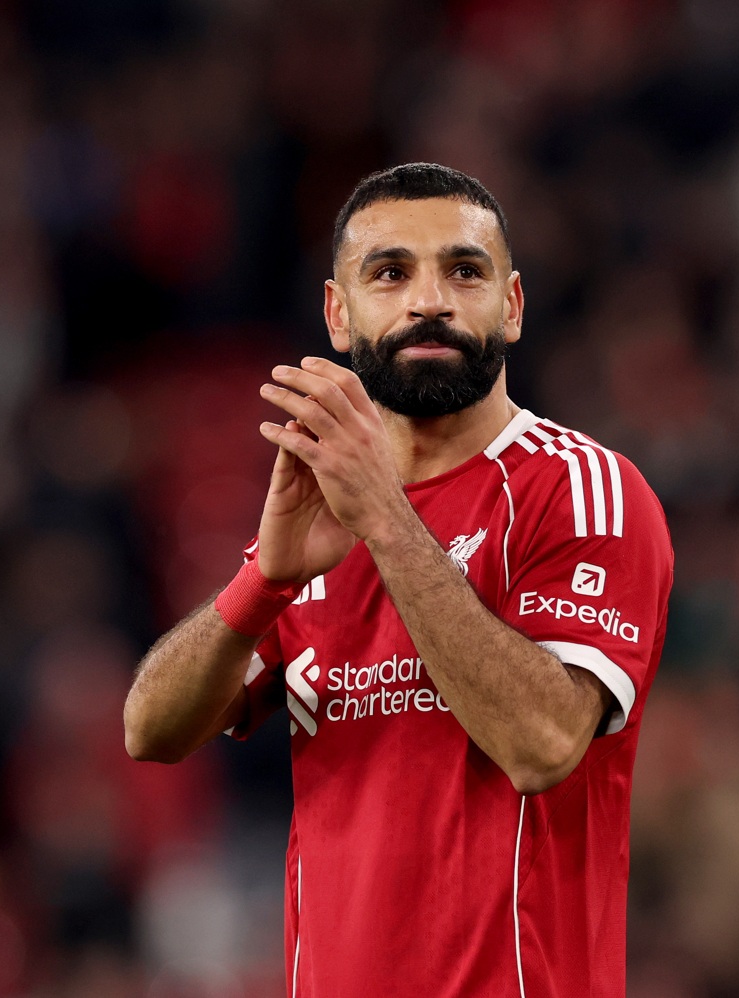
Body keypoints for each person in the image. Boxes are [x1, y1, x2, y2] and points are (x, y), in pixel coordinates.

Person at [122, 163, 674, 998]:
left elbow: (544, 743)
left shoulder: (581, 491)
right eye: (390, 274)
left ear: (513, 306)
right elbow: (149, 732)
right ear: (338, 316)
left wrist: (385, 518)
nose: (429, 301)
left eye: (464, 270)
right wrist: (263, 583)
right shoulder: (320, 518)